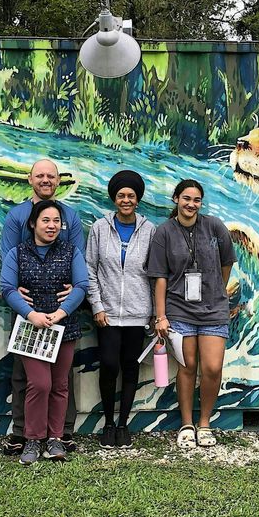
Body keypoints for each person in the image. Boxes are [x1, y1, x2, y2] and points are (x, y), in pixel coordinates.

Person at [0, 158, 85, 455]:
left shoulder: (71, 217)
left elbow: (79, 269)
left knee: (60, 380)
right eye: (40, 176)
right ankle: (25, 434)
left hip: (63, 316)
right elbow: (8, 270)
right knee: (29, 377)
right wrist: (23, 302)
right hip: (29, 313)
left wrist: (71, 294)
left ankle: (60, 434)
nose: (46, 180)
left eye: (51, 176)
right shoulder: (16, 217)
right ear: (30, 179)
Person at [147, 179, 236, 449]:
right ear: (176, 199)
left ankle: (205, 423)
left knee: (212, 368)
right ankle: (186, 424)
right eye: (186, 198)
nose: (191, 204)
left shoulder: (215, 226)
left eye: (196, 200)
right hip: (179, 309)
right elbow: (159, 278)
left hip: (213, 309)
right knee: (187, 367)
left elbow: (226, 262)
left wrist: (216, 291)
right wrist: (160, 316)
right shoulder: (164, 232)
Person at [86, 170, 155, 448]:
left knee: (130, 366)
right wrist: (97, 306)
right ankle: (108, 423)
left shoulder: (149, 230)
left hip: (138, 313)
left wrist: (154, 311)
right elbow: (90, 270)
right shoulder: (100, 228)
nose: (126, 200)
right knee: (109, 365)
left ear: (137, 199)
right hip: (108, 313)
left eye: (131, 195)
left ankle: (124, 423)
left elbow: (155, 273)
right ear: (114, 199)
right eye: (121, 195)